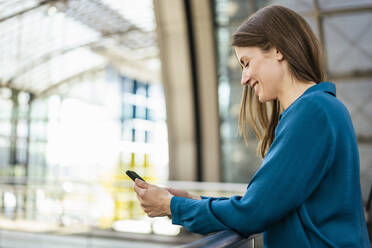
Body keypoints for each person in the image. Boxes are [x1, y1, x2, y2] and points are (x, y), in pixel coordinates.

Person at [133, 5, 370, 247]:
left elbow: (254, 211)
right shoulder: (321, 109)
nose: (244, 78)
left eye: (246, 62)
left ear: (277, 49)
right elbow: (268, 202)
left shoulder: (312, 112)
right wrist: (192, 201)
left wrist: (170, 205)